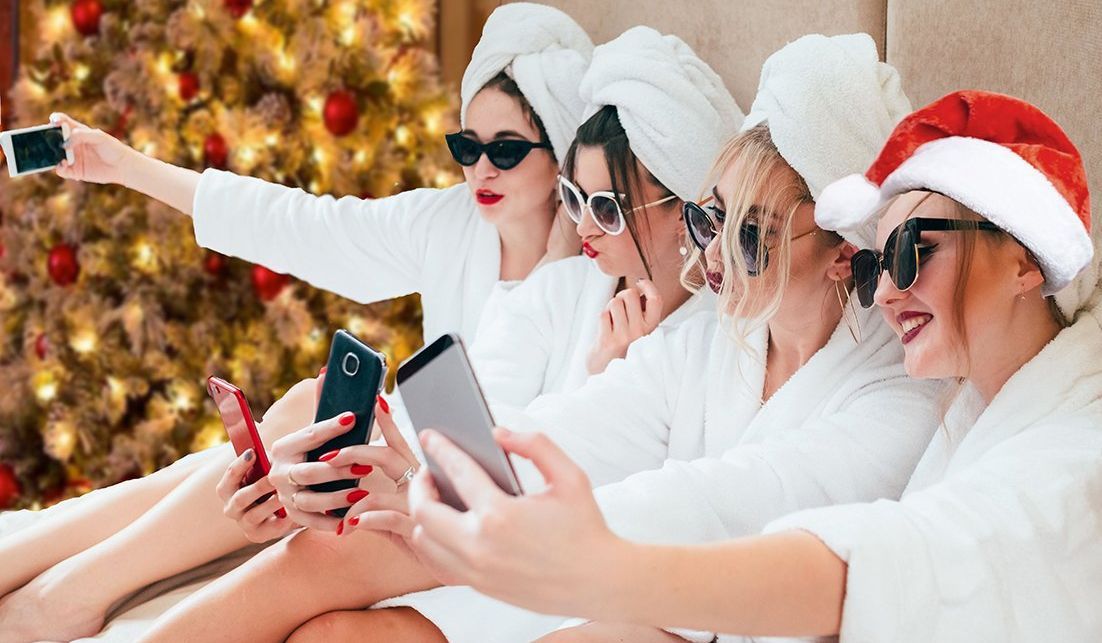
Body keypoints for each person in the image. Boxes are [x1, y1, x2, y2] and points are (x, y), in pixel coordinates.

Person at [404, 90, 1102, 642]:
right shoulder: (975, 408)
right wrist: (417, 471)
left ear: (1023, 261)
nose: (886, 289)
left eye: (913, 251)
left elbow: (882, 562)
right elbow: (580, 426)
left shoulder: (1067, 451)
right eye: (883, 260)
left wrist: (599, 565)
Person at [0, 5, 592, 641]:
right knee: (269, 434)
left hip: (468, 512)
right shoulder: (452, 222)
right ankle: (46, 577)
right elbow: (305, 226)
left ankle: (63, 597)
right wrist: (125, 167)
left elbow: (545, 454)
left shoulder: (596, 275)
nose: (480, 170)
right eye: (466, 147)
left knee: (303, 424)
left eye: (504, 150)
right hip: (401, 469)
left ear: (562, 153)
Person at [133, 25, 743, 643]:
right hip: (483, 520)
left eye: (606, 208)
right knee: (318, 523)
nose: (583, 225)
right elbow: (487, 410)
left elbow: (653, 493)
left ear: (686, 207)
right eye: (574, 199)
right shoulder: (563, 288)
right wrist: (381, 480)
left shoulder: (713, 342)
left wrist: (603, 371)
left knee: (334, 602)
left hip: (566, 563)